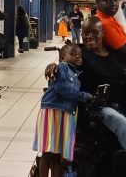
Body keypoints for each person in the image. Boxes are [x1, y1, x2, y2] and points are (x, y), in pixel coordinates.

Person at [46, 17, 126, 177]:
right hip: (100, 109)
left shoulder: (117, 56)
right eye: (85, 33)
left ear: (103, 34)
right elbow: (65, 64)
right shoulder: (81, 56)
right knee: (124, 125)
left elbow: (125, 74)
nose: (89, 36)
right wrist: (54, 67)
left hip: (125, 108)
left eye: (94, 32)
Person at [33, 43, 93, 177]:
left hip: (65, 113)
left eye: (80, 55)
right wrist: (83, 96)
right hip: (52, 111)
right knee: (47, 151)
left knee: (57, 153)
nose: (78, 57)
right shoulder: (62, 67)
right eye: (73, 54)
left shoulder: (76, 73)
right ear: (63, 57)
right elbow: (62, 88)